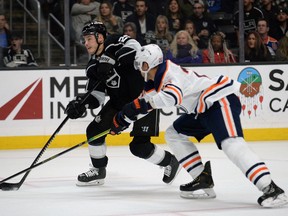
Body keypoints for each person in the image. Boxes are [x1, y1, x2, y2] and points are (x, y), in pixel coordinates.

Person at [110, 43, 288, 208]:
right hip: (202, 109)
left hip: (219, 99)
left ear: (148, 64)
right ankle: (203, 180)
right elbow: (142, 105)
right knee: (174, 133)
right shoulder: (152, 82)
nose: (137, 68)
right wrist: (123, 120)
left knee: (231, 144)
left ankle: (272, 189)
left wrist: (135, 108)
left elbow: (172, 97)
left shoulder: (169, 73)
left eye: (140, 64)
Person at [65, 21, 180, 187]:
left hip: (144, 100)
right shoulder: (92, 66)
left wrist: (110, 57)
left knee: (139, 147)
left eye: (89, 38)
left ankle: (170, 161)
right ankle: (98, 170)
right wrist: (82, 104)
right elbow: (96, 97)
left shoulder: (115, 41)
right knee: (93, 131)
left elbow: (136, 48)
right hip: (118, 103)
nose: (86, 43)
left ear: (100, 37)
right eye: (85, 39)